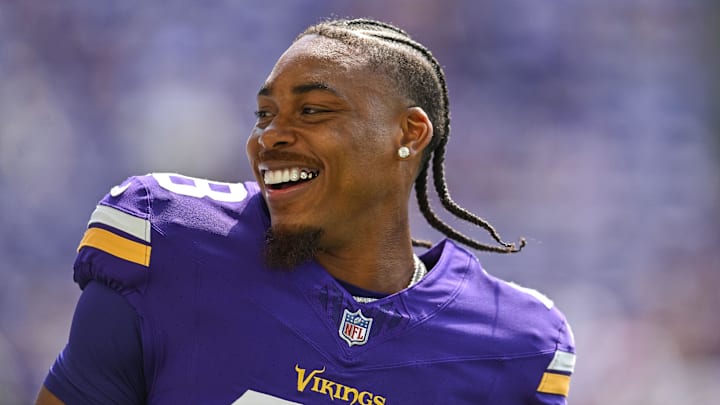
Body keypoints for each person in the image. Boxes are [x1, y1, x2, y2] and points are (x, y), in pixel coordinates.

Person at [36, 18, 576, 405]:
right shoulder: (171, 240)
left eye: (313, 111)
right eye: (264, 113)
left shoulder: (515, 344)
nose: (270, 137)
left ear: (408, 134)